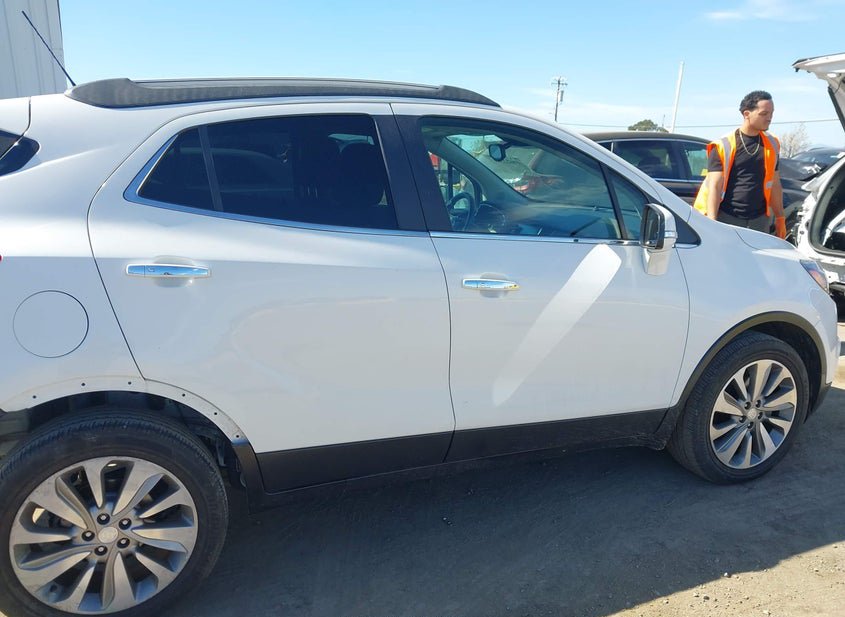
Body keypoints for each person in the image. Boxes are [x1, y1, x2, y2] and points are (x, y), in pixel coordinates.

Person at [693, 90, 786, 238]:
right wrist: (712, 222)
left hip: (759, 220)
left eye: (771, 113)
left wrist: (780, 217)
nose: (769, 118)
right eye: (764, 113)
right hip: (727, 217)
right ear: (747, 114)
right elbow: (715, 186)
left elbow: (775, 183)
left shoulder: (772, 144)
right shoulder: (723, 145)